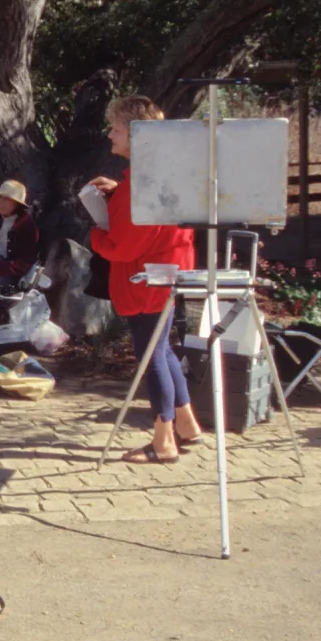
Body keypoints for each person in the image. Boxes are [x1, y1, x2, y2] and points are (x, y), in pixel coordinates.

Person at [87, 95, 201, 464]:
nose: (110, 135)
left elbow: (123, 245)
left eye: (116, 129)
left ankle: (164, 441)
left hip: (147, 277)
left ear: (137, 136)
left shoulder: (142, 183)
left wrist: (94, 235)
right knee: (162, 349)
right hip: (163, 271)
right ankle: (186, 424)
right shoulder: (154, 174)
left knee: (151, 354)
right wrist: (118, 195)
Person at [0, 179, 40, 294]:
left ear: (17, 204)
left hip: (7, 273)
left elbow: (25, 264)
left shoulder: (27, 227)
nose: (0, 203)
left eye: (6, 199)